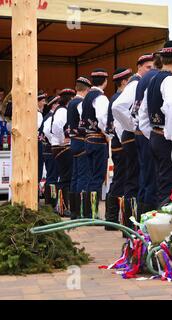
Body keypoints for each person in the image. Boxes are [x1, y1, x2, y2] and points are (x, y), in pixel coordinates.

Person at [112, 54, 154, 225]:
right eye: (148, 67)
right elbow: (118, 107)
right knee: (134, 181)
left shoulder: (139, 82)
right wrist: (133, 125)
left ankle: (129, 224)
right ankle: (131, 224)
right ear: (139, 67)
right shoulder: (136, 82)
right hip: (132, 136)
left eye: (153, 68)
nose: (150, 71)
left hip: (130, 136)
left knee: (133, 180)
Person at [147, 40, 172, 205]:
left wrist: (150, 131)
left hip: (156, 135)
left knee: (160, 184)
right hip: (168, 139)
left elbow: (143, 111)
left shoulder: (153, 80)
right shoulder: (171, 81)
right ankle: (165, 227)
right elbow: (171, 107)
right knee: (170, 186)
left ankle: (159, 225)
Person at [134, 53, 163, 212]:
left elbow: (136, 110)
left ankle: (139, 223)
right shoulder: (156, 78)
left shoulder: (143, 78)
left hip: (140, 131)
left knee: (144, 179)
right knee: (152, 180)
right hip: (149, 133)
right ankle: (147, 226)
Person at [104, 68, 132, 230]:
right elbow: (119, 125)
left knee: (119, 179)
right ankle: (112, 218)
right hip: (121, 145)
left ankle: (112, 217)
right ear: (123, 82)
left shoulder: (113, 98)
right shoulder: (120, 98)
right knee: (122, 179)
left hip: (115, 144)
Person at [80, 69, 110, 219]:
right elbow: (102, 118)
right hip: (98, 139)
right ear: (105, 81)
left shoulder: (86, 97)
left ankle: (86, 212)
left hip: (88, 138)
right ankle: (92, 213)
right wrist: (108, 134)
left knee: (91, 176)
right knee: (97, 177)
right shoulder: (100, 97)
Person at [67, 77, 92, 220]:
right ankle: (81, 211)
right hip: (81, 141)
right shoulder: (80, 103)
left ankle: (74, 211)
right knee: (83, 176)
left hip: (73, 141)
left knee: (75, 176)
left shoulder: (71, 103)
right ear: (87, 89)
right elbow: (84, 123)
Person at [49, 88, 76, 217]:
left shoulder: (61, 110)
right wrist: (63, 139)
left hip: (59, 147)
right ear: (69, 99)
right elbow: (57, 127)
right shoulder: (62, 111)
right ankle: (61, 206)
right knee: (65, 177)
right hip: (62, 147)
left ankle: (61, 206)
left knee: (65, 177)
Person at [41, 95, 62, 213]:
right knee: (52, 176)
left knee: (52, 176)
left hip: (48, 150)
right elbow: (47, 131)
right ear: (54, 104)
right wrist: (56, 141)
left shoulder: (50, 116)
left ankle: (51, 203)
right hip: (50, 150)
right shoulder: (50, 117)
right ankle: (51, 204)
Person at [37, 90, 47, 186]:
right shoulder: (38, 114)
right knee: (38, 168)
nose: (44, 103)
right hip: (37, 145)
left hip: (36, 144)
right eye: (43, 101)